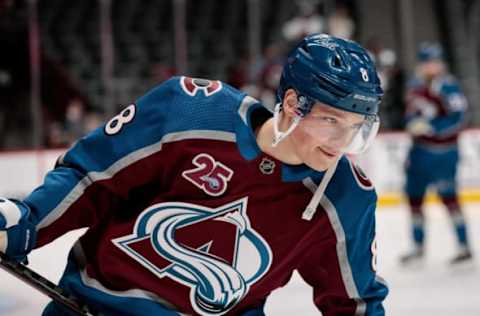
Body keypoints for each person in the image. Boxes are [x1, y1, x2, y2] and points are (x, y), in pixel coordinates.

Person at [0, 34, 388, 315]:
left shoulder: (345, 197)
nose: (342, 141)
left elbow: (355, 305)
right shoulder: (190, 112)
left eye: (357, 127)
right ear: (292, 104)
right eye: (331, 121)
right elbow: (91, 177)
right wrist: (27, 221)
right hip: (93, 304)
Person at [400, 42, 473, 265]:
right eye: (426, 62)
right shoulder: (415, 86)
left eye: (434, 62)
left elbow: (460, 118)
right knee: (413, 199)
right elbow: (411, 114)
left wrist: (432, 127)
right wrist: (412, 124)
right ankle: (418, 247)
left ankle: (464, 246)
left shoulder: (448, 87)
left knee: (450, 199)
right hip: (419, 152)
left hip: (443, 154)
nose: (430, 66)